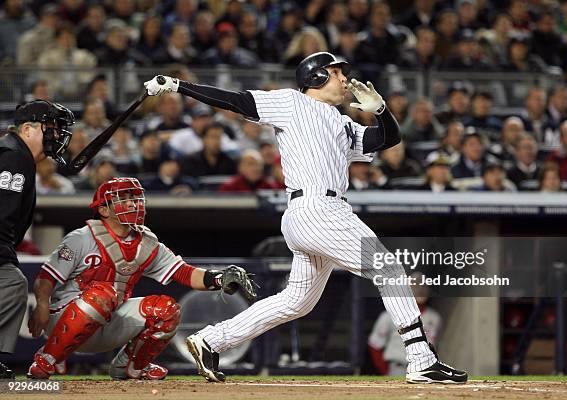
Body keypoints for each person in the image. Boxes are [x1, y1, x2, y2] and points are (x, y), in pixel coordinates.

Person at [144, 51, 467, 383]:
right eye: (337, 72)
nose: (345, 79)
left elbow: (388, 139)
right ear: (317, 76)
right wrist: (180, 85)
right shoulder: (292, 103)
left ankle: (211, 340)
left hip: (315, 214)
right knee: (389, 268)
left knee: (296, 302)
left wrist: (382, 112)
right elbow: (237, 101)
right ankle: (420, 357)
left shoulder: (342, 121)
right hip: (318, 209)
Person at [26, 177, 255, 379]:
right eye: (123, 199)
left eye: (135, 199)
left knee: (167, 309)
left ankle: (132, 367)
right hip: (65, 317)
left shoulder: (147, 243)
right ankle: (49, 358)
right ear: (104, 210)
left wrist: (219, 279)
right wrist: (43, 304)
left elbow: (183, 272)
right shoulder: (82, 237)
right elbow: (47, 276)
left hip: (109, 319)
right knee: (102, 294)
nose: (132, 204)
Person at [0, 100, 74, 379]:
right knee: (9, 281)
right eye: (50, 129)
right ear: (28, 129)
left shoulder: (14, 153)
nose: (56, 136)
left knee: (10, 280)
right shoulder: (13, 156)